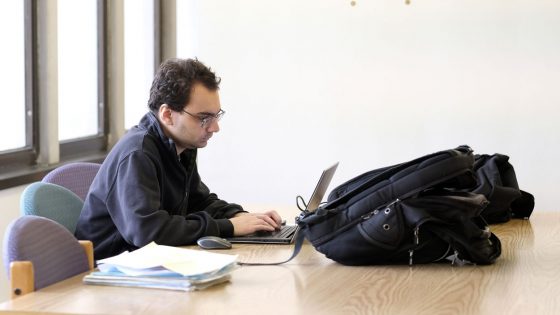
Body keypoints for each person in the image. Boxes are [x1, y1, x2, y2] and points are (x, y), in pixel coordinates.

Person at [75, 58, 282, 260]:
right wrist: (228, 227)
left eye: (216, 116)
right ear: (167, 115)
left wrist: (239, 217)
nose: (215, 127)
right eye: (204, 118)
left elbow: (198, 201)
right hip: (109, 275)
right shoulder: (137, 154)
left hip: (151, 266)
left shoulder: (181, 145)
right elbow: (148, 232)